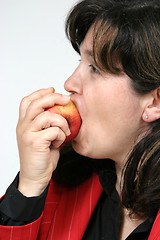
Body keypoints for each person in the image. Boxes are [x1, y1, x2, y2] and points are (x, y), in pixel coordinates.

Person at [0, 0, 160, 239]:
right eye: (80, 63)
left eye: (95, 68)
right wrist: (29, 189)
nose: (69, 84)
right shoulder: (57, 189)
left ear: (154, 102)